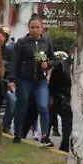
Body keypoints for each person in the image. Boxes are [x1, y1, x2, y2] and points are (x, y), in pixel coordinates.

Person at [10, 16, 54, 146]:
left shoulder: (47, 42)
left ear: (42, 29)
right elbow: (14, 61)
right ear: (28, 29)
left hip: (40, 80)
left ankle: (45, 135)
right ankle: (18, 133)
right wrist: (12, 79)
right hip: (24, 80)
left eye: (37, 27)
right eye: (32, 27)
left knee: (43, 107)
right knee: (21, 107)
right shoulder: (22, 42)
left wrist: (48, 64)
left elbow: (53, 59)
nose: (35, 30)